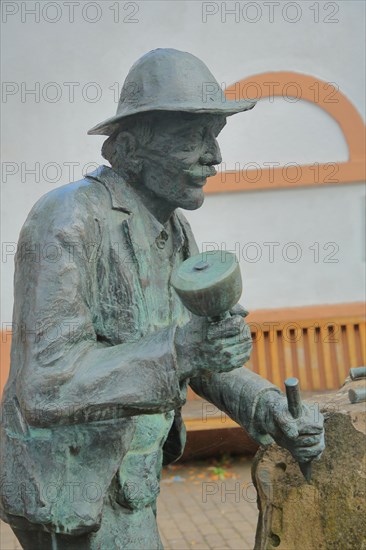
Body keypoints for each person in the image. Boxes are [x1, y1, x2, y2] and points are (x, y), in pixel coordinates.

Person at [0, 49, 324, 549]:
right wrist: (181, 348)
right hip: (70, 490)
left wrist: (270, 409)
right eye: (192, 139)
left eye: (214, 138)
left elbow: (200, 358)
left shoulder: (175, 230)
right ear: (128, 149)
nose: (214, 158)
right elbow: (47, 383)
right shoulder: (67, 220)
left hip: (129, 484)